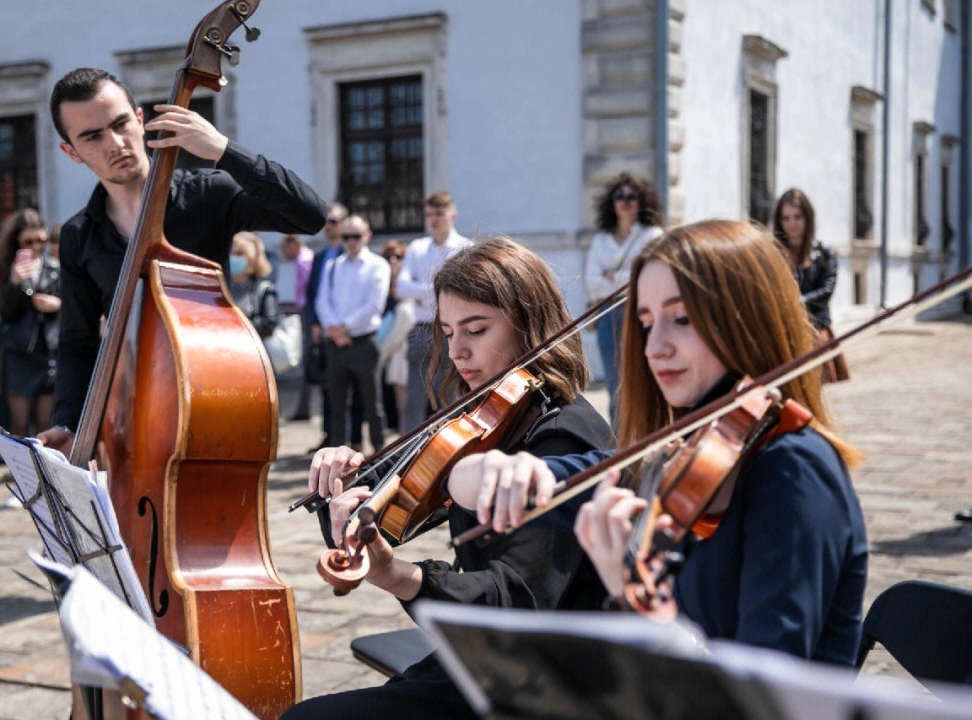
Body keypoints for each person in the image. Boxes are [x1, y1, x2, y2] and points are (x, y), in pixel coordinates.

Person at [448, 220, 868, 666]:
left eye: (681, 319)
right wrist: (497, 469)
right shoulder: (686, 450)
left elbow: (761, 696)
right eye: (646, 323)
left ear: (749, 320)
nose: (654, 347)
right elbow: (464, 484)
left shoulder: (793, 470)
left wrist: (633, 599)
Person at [287, 237, 610, 720]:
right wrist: (342, 485)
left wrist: (399, 577)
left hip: (541, 679)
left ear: (529, 325)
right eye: (447, 331)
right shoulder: (485, 416)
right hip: (481, 656)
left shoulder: (562, 437)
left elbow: (513, 602)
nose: (457, 351)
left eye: (476, 330)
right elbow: (389, 510)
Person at [36, 67, 326, 455]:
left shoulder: (208, 194)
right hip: (130, 416)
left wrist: (224, 150)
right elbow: (77, 341)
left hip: (215, 396)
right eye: (92, 136)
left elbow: (309, 215)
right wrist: (66, 421)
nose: (115, 142)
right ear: (70, 152)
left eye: (120, 124)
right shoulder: (78, 235)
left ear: (140, 120)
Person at [585, 172, 663, 424]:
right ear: (612, 202)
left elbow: (649, 278)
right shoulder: (601, 240)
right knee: (615, 386)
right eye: (620, 196)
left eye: (632, 196)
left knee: (645, 380)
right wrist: (627, 275)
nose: (625, 201)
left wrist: (612, 276)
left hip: (641, 313)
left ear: (642, 201)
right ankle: (619, 446)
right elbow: (592, 283)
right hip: (609, 314)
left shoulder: (652, 235)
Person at [395, 192, 471, 432]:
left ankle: (449, 448)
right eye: (429, 214)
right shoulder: (417, 248)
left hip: (451, 330)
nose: (434, 220)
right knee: (415, 399)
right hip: (421, 329)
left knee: (449, 398)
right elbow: (401, 287)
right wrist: (438, 291)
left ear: (452, 215)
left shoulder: (465, 248)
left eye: (439, 213)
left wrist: (423, 293)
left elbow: (462, 291)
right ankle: (407, 454)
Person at [314, 215, 390, 452]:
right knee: (337, 406)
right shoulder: (332, 265)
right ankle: (337, 455)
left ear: (367, 236)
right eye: (345, 237)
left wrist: (344, 327)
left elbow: (374, 305)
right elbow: (322, 301)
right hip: (336, 344)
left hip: (363, 342)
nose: (350, 242)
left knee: (372, 403)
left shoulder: (378, 264)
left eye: (356, 236)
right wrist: (334, 330)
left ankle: (381, 452)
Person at [0, 210, 61, 437]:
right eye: (28, 241)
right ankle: (20, 471)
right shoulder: (4, 268)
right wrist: (14, 282)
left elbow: (73, 306)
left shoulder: (55, 267)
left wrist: (58, 304)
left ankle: (44, 472)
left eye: (41, 240)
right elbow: (5, 312)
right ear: (16, 241)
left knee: (45, 423)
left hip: (49, 350)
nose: (36, 246)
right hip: (18, 352)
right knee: (19, 423)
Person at [301, 202, 363, 446]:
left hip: (350, 334)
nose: (329, 226)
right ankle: (329, 436)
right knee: (327, 387)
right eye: (326, 221)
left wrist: (341, 328)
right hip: (324, 332)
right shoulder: (319, 257)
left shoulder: (349, 255)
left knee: (353, 389)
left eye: (334, 221)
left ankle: (354, 438)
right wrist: (314, 324)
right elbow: (313, 294)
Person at [773, 187, 848, 382]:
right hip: (782, 332)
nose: (792, 223)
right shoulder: (772, 254)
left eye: (797, 217)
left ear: (807, 218)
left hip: (815, 331)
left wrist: (794, 303)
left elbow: (825, 292)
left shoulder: (824, 254)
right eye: (786, 218)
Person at [375, 239, 414, 430]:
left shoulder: (410, 285)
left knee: (406, 407)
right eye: (388, 257)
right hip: (387, 352)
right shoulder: (380, 284)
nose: (393, 261)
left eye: (398, 256)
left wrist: (381, 353)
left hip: (401, 352)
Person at [278, 234, 314, 419]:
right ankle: (302, 407)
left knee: (303, 360)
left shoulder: (304, 261)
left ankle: (305, 408)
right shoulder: (292, 262)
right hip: (294, 312)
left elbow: (303, 292)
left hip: (302, 314)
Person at [228, 231, 279, 340]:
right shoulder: (221, 288)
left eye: (239, 254)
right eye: (231, 253)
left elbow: (269, 325)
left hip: (253, 352)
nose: (233, 257)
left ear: (252, 260)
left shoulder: (264, 289)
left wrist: (236, 326)